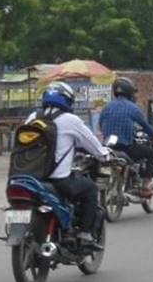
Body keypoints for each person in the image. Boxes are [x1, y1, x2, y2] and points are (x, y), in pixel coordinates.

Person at [29, 81, 109, 248]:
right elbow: (95, 148)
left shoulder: (33, 117)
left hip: (30, 177)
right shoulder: (71, 120)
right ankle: (85, 234)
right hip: (59, 180)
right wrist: (106, 155)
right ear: (67, 100)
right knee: (90, 189)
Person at [99, 77, 153, 196]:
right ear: (130, 91)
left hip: (108, 148)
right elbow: (146, 126)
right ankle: (146, 185)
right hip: (126, 148)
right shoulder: (132, 108)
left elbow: (100, 125)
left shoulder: (106, 107)